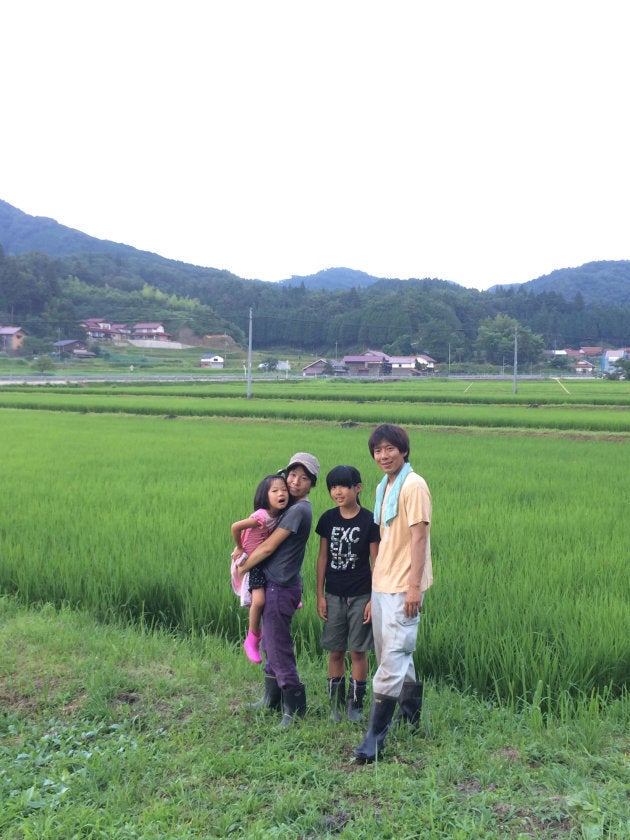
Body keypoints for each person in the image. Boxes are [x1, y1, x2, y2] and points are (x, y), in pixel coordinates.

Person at [353, 424, 433, 763]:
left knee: (393, 655)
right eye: (378, 450)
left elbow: (419, 537)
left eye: (390, 449)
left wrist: (413, 586)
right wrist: (374, 588)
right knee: (396, 652)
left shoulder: (413, 485)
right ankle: (410, 715)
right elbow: (387, 539)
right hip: (384, 582)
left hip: (403, 585)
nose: (384, 455)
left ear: (403, 450)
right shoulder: (384, 485)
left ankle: (375, 737)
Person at [238, 452, 320, 727]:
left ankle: (294, 709)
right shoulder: (288, 507)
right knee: (272, 643)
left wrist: (244, 565)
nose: (295, 482)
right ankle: (271, 700)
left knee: (277, 644)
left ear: (312, 483)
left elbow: (270, 545)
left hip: (281, 587)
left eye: (304, 478)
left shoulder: (299, 510)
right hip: (276, 583)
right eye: (292, 475)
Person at [316, 465, 380, 723]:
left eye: (343, 486)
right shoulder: (328, 519)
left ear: (358, 488)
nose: (337, 491)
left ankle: (355, 705)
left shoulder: (369, 520)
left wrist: (374, 599)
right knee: (335, 651)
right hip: (333, 594)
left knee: (358, 652)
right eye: (333, 486)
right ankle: (335, 705)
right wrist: (319, 595)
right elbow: (322, 558)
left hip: (361, 595)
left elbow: (377, 562)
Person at [230, 473, 291, 663]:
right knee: (259, 601)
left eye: (284, 490)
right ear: (265, 497)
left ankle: (292, 598)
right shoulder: (261, 517)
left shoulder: (281, 514)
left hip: (264, 558)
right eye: (275, 491)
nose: (281, 493)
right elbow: (235, 526)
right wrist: (239, 547)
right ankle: (252, 637)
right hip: (252, 562)